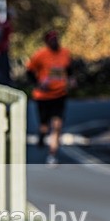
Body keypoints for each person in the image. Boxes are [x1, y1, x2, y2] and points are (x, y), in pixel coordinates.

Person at [26, 29, 75, 165]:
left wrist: (71, 79)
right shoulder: (41, 55)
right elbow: (29, 70)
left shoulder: (65, 53)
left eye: (56, 39)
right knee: (44, 125)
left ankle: (52, 155)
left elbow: (69, 69)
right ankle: (42, 134)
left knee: (57, 125)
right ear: (47, 42)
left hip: (59, 94)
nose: (55, 42)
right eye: (52, 40)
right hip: (43, 96)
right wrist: (38, 83)